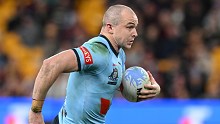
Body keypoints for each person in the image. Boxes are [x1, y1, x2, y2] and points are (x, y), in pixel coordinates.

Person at [29, 4, 161, 124]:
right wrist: (36, 111)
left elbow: (111, 83)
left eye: (135, 28)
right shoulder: (97, 51)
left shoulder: (119, 55)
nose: (135, 33)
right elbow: (50, 64)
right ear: (110, 27)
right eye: (129, 27)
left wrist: (148, 90)